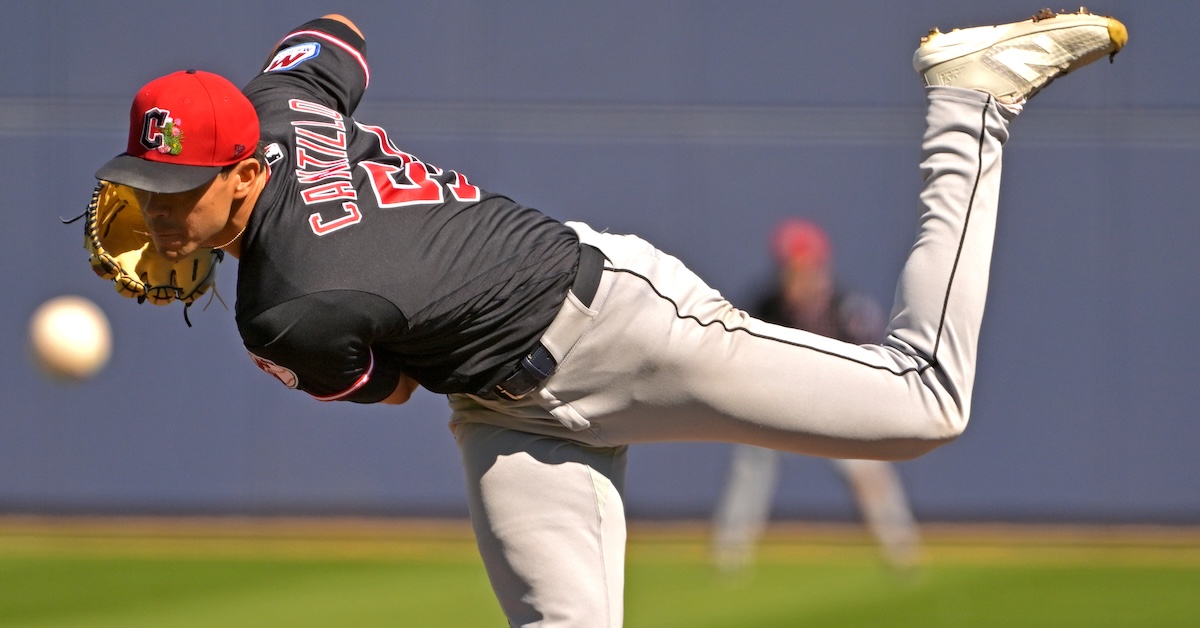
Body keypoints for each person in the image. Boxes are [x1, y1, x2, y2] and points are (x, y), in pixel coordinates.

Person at [92, 10, 1126, 627]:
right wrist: (294, 109)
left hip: (609, 321)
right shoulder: (286, 105)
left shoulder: (286, 308)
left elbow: (388, 379)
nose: (159, 211)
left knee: (924, 403)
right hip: (507, 415)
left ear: (241, 169)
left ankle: (971, 101)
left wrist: (281, 222)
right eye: (147, 181)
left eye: (180, 188)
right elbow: (336, 40)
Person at [712, 219, 920, 573]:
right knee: (751, 466)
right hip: (780, 406)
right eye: (791, 269)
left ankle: (902, 549)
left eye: (803, 267)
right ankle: (730, 553)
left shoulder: (846, 309)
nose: (796, 276)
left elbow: (873, 365)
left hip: (837, 406)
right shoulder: (766, 307)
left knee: (868, 469)